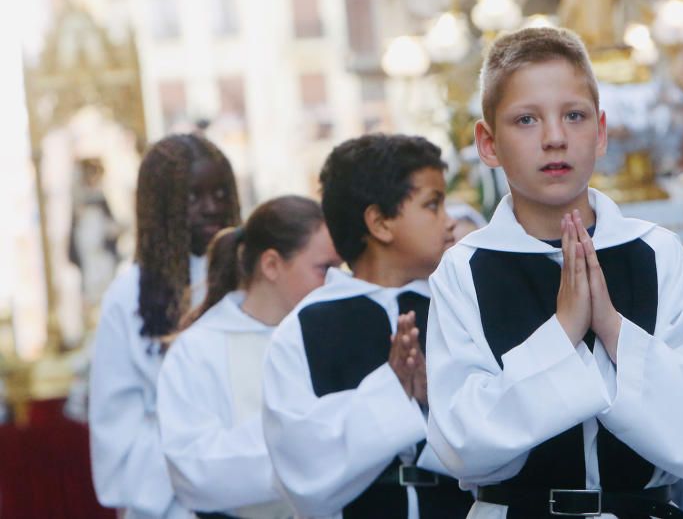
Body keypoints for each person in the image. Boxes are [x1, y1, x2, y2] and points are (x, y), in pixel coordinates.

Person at [425, 26, 683, 518]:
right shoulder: (465, 270)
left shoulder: (658, 255)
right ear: (488, 144)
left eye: (574, 116)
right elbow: (459, 440)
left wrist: (614, 329)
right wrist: (563, 332)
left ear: (600, 133)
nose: (555, 138)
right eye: (527, 120)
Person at [261, 134, 471, 518]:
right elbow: (301, 468)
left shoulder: (458, 310)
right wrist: (393, 391)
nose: (450, 221)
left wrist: (433, 400)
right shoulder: (303, 330)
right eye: (432, 205)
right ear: (380, 223)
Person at [157, 195, 339, 519]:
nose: (337, 282)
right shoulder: (199, 350)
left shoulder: (332, 334)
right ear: (271, 265)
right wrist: (307, 451)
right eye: (325, 269)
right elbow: (194, 471)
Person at [90, 134, 241, 519]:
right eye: (193, 198)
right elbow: (117, 420)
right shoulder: (128, 297)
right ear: (160, 207)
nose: (212, 208)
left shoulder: (251, 276)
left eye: (221, 193)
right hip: (170, 497)